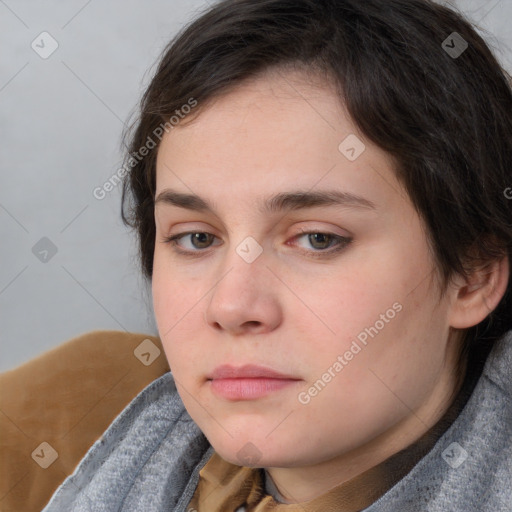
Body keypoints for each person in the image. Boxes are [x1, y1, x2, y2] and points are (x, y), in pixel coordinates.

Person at [42, 0, 512, 510]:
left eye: (317, 239)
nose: (232, 307)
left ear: (474, 274)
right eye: (197, 238)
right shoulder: (56, 424)